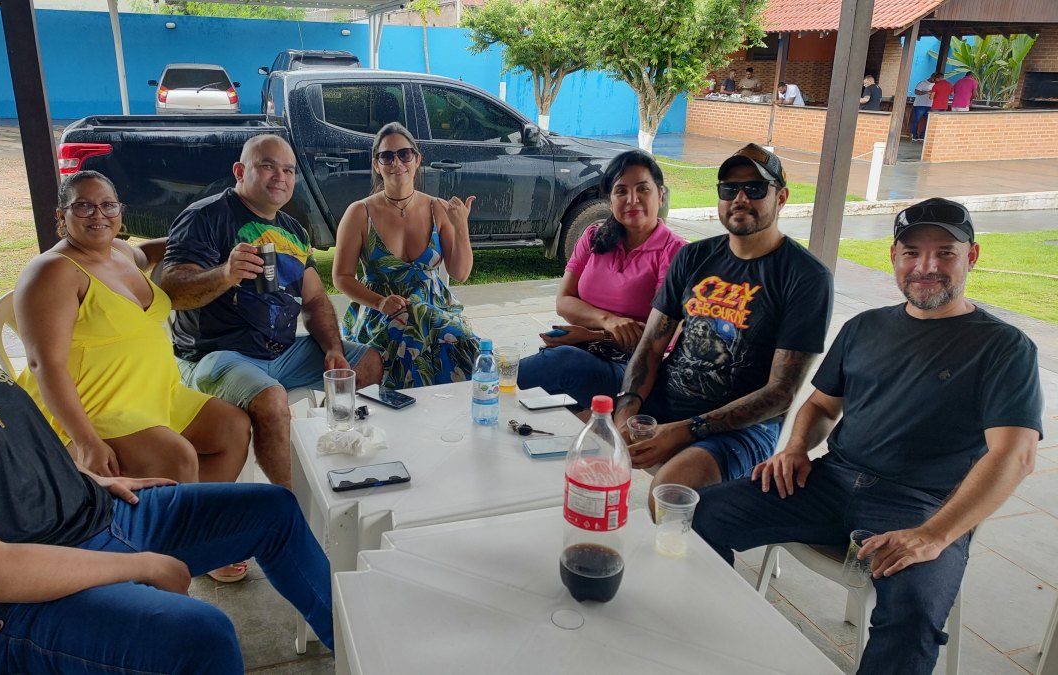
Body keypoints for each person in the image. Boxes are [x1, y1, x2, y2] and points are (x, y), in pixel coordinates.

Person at [0, 208, 335, 674]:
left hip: (96, 513)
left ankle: (356, 647)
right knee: (200, 635)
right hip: (15, 603)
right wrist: (140, 566)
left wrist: (87, 479)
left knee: (273, 510)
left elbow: (8, 438)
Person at [693, 198, 1043, 675]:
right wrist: (796, 448)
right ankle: (708, 643)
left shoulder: (1004, 347)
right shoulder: (865, 327)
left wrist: (934, 536)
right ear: (894, 257)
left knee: (912, 615)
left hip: (922, 507)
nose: (926, 267)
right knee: (699, 513)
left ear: (972, 257)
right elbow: (820, 406)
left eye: (945, 253)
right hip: (829, 483)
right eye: (912, 252)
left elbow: (1015, 455)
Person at [14, 170, 253, 582]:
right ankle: (167, 563)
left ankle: (193, 539)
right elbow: (44, 364)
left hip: (154, 392)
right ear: (60, 215)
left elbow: (152, 252)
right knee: (177, 456)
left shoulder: (121, 253)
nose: (98, 215)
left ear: (120, 213)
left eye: (108, 205)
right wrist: (87, 441)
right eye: (83, 206)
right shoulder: (53, 272)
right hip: (94, 405)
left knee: (233, 427)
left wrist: (205, 239)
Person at [160, 135, 383, 488]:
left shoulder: (293, 230)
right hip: (217, 354)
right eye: (268, 166)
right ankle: (295, 499)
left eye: (288, 170)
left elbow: (315, 300)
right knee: (272, 399)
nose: (280, 176)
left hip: (281, 351)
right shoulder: (206, 216)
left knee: (368, 363)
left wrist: (333, 349)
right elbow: (172, 289)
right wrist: (225, 274)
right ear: (240, 171)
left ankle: (331, 449)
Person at [613, 143, 834, 495]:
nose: (740, 198)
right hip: (666, 403)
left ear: (781, 198)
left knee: (670, 490)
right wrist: (626, 409)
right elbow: (651, 347)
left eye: (755, 188)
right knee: (584, 448)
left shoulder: (806, 277)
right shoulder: (693, 257)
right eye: (729, 189)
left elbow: (781, 393)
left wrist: (685, 431)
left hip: (744, 429)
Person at [516, 150, 686, 409]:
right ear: (610, 200)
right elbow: (564, 302)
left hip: (639, 369)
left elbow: (662, 336)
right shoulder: (595, 237)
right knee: (531, 396)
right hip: (588, 351)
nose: (632, 200)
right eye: (621, 191)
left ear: (660, 194)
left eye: (643, 189)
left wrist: (592, 336)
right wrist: (607, 321)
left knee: (562, 362)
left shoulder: (675, 252)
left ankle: (479, 383)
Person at [333, 122, 480, 389]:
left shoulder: (438, 208)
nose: (396, 162)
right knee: (406, 332)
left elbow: (460, 273)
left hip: (434, 310)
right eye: (387, 156)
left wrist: (461, 227)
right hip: (380, 314)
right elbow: (341, 277)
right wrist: (380, 302)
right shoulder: (359, 213)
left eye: (404, 154)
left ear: (417, 159)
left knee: (465, 342)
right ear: (376, 165)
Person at [910, 73, 937, 140]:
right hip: (920, 105)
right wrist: (926, 92)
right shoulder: (923, 83)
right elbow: (916, 92)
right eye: (934, 79)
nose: (935, 80)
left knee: (928, 121)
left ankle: (922, 136)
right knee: (916, 120)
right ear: (931, 77)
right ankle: (914, 135)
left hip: (930, 105)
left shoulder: (935, 85)